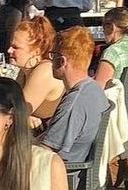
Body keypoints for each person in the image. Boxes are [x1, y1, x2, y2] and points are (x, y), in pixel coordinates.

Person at [40, 27, 111, 164]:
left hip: (65, 173)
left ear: (62, 61)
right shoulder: (93, 88)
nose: (50, 60)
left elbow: (45, 151)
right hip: (78, 164)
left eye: (52, 55)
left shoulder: (73, 104)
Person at [8, 15, 64, 125]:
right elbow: (11, 106)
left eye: (16, 47)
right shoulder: (25, 70)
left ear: (37, 51)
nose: (9, 50)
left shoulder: (45, 71)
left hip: (44, 138)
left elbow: (18, 112)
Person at [94, 7, 128, 87]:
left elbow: (97, 90)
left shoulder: (112, 52)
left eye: (103, 27)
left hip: (115, 98)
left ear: (112, 27)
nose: (102, 31)